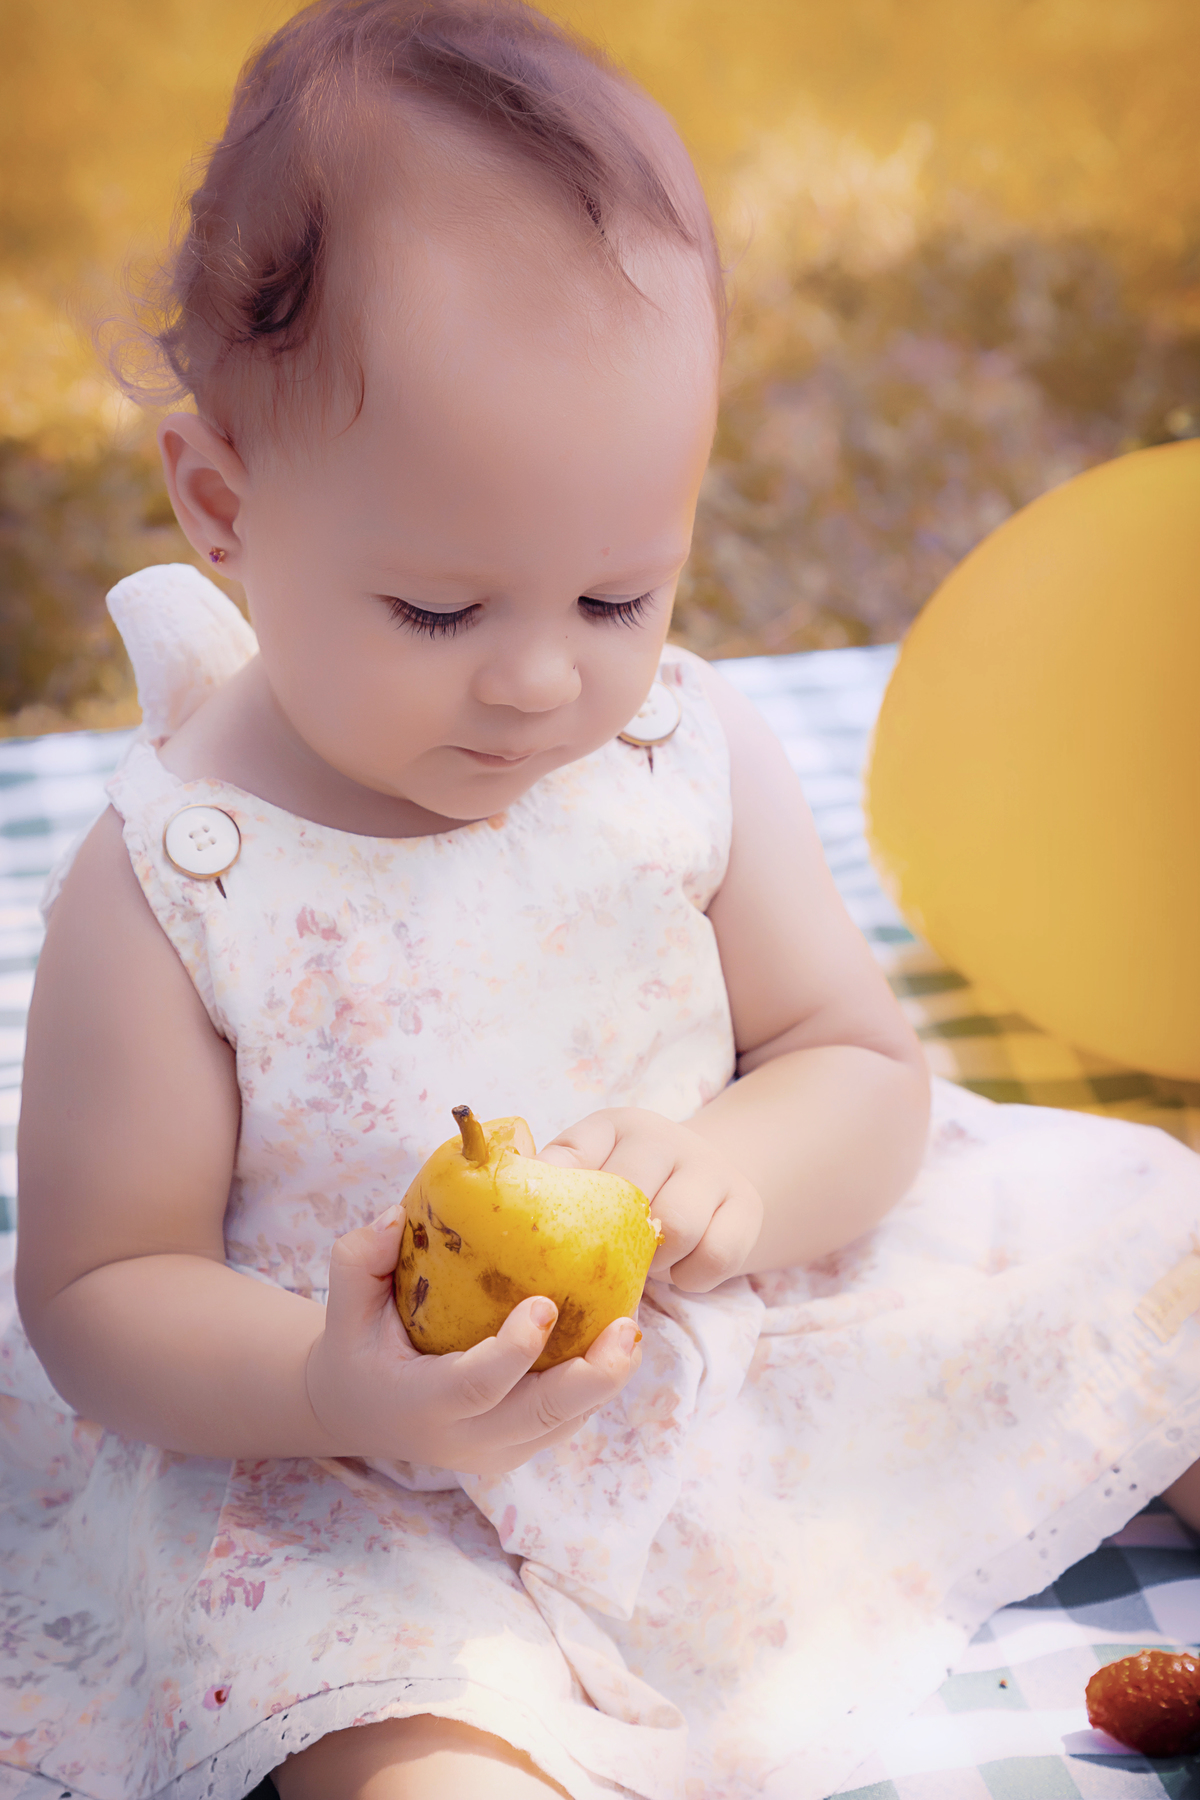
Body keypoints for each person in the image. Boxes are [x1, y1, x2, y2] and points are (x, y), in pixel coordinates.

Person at [4, 3, 1200, 1797]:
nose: (544, 686)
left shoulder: (675, 755)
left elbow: (857, 1064)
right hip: (364, 1470)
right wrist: (329, 1388)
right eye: (439, 611)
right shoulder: (189, 873)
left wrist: (743, 1166)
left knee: (1146, 1268)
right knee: (377, 1715)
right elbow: (100, 1288)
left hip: (735, 1357)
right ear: (222, 503)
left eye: (617, 594)